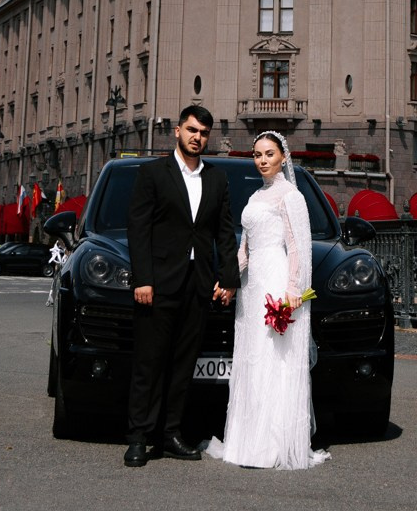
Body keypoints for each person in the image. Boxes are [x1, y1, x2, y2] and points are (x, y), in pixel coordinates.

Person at [122, 104, 236, 468]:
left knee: (183, 365)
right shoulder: (153, 173)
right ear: (177, 131)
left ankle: (171, 434)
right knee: (149, 362)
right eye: (191, 130)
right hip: (158, 284)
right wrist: (143, 278)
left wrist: (229, 278)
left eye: (203, 133)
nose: (197, 137)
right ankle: (139, 437)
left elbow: (224, 232)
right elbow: (138, 229)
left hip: (198, 285)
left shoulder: (216, 179)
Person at [207, 132, 327, 470]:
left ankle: (274, 444)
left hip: (276, 283)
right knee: (253, 358)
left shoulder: (291, 196)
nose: (262, 160)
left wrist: (293, 295)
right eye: (257, 154)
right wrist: (228, 279)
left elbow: (299, 248)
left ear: (282, 158)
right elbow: (246, 250)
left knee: (275, 359)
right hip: (252, 288)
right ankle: (248, 441)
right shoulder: (256, 196)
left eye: (269, 154)